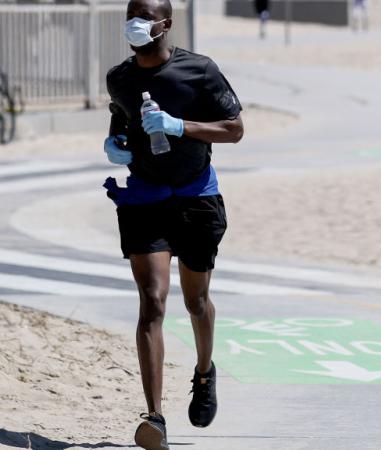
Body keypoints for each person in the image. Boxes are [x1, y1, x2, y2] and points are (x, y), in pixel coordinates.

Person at [104, 0, 244, 447]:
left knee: (196, 301)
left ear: (165, 22)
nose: (135, 25)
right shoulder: (120, 78)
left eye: (143, 18)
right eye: (130, 17)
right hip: (144, 197)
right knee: (152, 302)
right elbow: (120, 118)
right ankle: (155, 417)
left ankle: (204, 372)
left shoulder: (200, 71)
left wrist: (180, 126)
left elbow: (235, 128)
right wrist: (116, 143)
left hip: (196, 196)